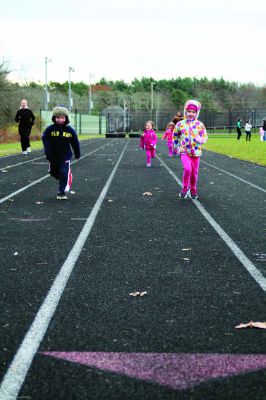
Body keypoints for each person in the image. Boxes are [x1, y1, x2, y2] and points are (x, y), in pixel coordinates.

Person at [42, 105, 80, 200]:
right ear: (54, 118)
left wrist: (77, 152)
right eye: (57, 117)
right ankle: (62, 177)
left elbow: (75, 142)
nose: (60, 120)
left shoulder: (70, 130)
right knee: (54, 172)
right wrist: (48, 150)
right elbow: (44, 138)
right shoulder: (50, 129)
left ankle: (61, 192)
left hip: (65, 156)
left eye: (62, 118)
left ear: (66, 118)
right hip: (53, 156)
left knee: (63, 172)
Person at [174, 99, 208, 200]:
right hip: (184, 151)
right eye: (189, 111)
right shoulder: (180, 124)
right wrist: (176, 147)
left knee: (194, 173)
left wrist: (200, 139)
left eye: (193, 112)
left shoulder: (200, 125)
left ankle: (193, 189)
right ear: (185, 112)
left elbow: (205, 137)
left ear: (196, 113)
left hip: (196, 153)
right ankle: (185, 188)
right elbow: (175, 136)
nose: (191, 114)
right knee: (187, 169)